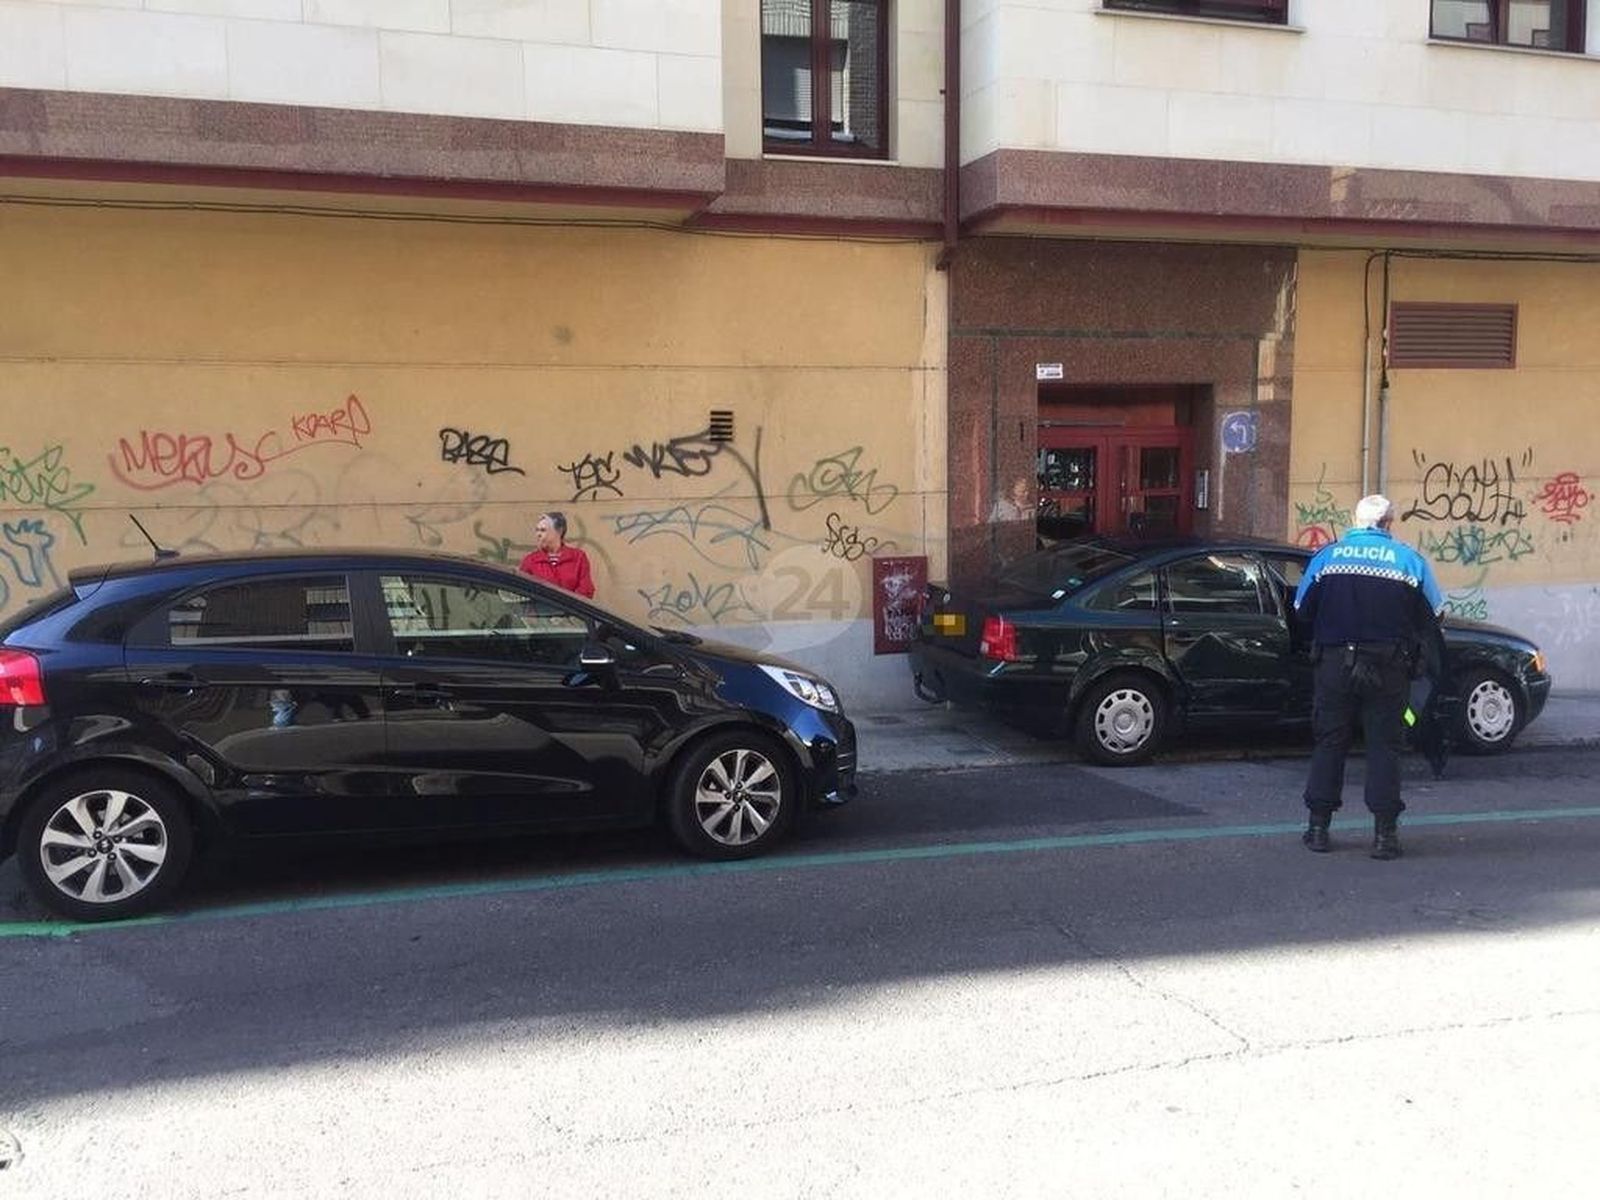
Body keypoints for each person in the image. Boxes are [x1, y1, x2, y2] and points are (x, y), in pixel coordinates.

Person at [1293, 494, 1443, 859]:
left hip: (1334, 665)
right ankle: (1384, 836)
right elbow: (1434, 615)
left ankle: (1318, 829)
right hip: (1388, 668)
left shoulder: (1327, 557)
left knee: (1330, 742)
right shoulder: (1409, 561)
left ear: (1356, 520)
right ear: (1389, 523)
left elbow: (1301, 610)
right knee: (1384, 747)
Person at [518, 511, 595, 598]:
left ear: (559, 531)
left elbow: (586, 589)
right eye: (537, 530)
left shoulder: (578, 557)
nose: (538, 534)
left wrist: (568, 603)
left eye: (543, 530)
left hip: (570, 606)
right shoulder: (531, 560)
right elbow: (521, 591)